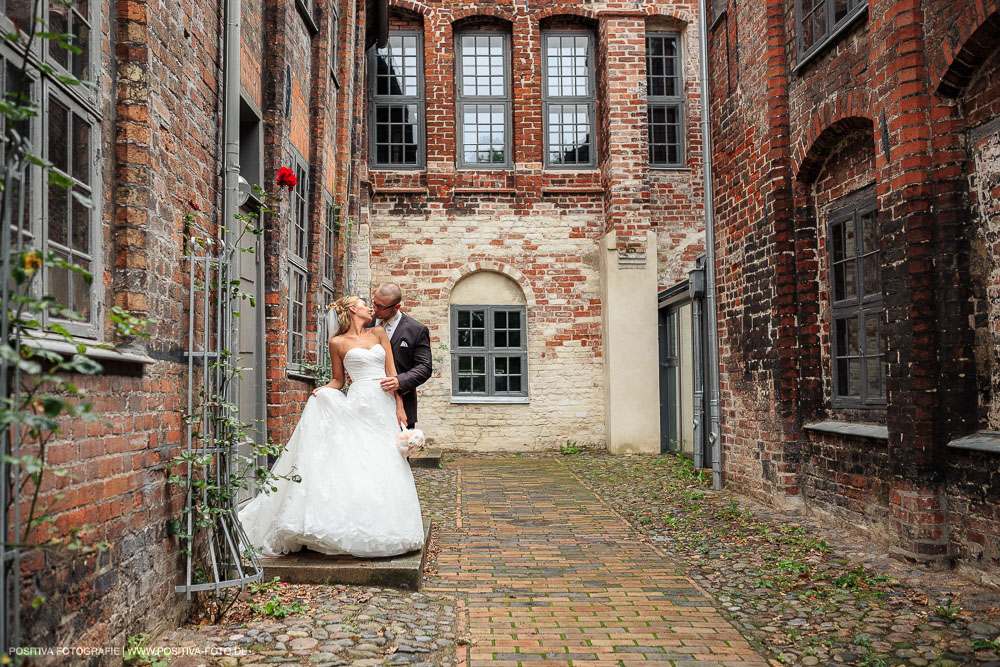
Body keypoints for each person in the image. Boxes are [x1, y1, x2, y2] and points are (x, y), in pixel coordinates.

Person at [237, 295, 424, 558]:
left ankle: (393, 527)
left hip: (382, 404)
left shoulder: (379, 333)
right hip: (358, 403)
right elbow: (338, 380)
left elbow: (392, 373)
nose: (370, 308)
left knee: (388, 460)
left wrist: (400, 405)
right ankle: (357, 525)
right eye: (364, 304)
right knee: (360, 461)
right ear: (352, 310)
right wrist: (321, 392)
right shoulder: (336, 342)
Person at [367, 283, 432, 429]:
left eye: (381, 307)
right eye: (374, 303)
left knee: (400, 451)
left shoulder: (416, 330)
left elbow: (424, 367)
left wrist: (399, 381)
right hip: (367, 403)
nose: (375, 309)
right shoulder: (365, 324)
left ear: (396, 307)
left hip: (402, 407)